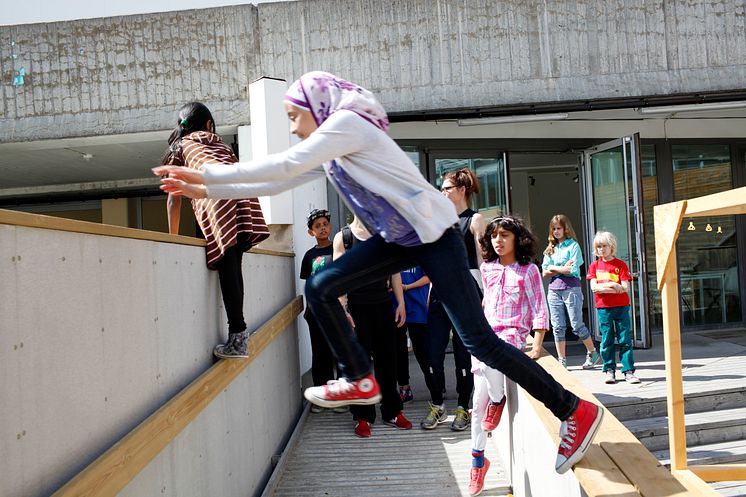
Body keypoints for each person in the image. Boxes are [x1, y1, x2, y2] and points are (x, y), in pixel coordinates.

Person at [153, 71, 603, 474]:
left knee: (478, 341)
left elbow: (283, 168)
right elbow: (278, 180)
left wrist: (205, 180)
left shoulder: (346, 126)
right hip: (403, 239)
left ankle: (574, 412)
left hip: (435, 236)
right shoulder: (334, 148)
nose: (292, 126)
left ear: (318, 107)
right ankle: (361, 378)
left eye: (294, 115)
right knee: (322, 286)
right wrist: (196, 183)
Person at [161, 101, 269, 359]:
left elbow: (174, 197)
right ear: (209, 124)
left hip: (218, 201)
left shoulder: (180, 146)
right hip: (243, 198)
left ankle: (238, 336)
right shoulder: (219, 142)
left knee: (227, 264)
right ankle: (239, 334)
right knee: (234, 265)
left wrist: (173, 238)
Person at [467, 215, 548, 496]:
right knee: (477, 406)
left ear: (517, 239)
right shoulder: (487, 268)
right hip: (487, 338)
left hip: (511, 339)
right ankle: (478, 462)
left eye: (505, 235)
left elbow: (539, 306)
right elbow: (485, 302)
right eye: (494, 236)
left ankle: (498, 399)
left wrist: (537, 344)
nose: (498, 241)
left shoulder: (529, 270)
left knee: (491, 353)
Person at [334, 216, 412, 437]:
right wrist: (344, 310)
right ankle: (362, 416)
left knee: (388, 360)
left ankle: (392, 411)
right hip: (357, 307)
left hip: (384, 304)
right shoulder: (344, 238)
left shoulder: (386, 234)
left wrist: (401, 304)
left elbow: (394, 271)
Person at [421, 168, 485, 432]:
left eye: (446, 188)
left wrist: (486, 295)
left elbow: (483, 260)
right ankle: (437, 404)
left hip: (467, 288)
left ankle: (463, 407)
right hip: (439, 290)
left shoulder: (476, 220)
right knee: (431, 354)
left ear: (461, 190)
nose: (442, 192)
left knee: (463, 356)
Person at [541, 214, 600, 369]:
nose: (556, 231)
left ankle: (592, 352)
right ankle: (562, 360)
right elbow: (545, 272)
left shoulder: (573, 246)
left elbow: (571, 270)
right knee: (558, 326)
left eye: (559, 228)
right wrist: (559, 268)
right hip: (554, 290)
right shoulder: (550, 249)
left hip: (571, 289)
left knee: (576, 325)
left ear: (565, 229)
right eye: (553, 229)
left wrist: (553, 268)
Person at [299, 208, 341, 412]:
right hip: (316, 312)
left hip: (337, 309)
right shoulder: (309, 256)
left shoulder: (339, 249)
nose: (322, 228)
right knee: (320, 353)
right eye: (317, 226)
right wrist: (308, 308)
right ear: (311, 232)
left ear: (330, 227)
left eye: (325, 224)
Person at [587, 231, 641, 385]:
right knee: (607, 339)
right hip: (604, 308)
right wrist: (612, 284)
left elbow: (624, 288)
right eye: (598, 247)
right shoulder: (594, 266)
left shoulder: (620, 265)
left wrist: (604, 287)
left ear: (611, 247)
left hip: (622, 307)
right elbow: (594, 288)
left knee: (624, 339)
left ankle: (628, 371)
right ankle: (609, 370)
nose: (601, 249)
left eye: (604, 246)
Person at [394, 266, 432, 403]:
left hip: (418, 305)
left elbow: (429, 276)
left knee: (422, 349)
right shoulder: (392, 249)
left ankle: (435, 384)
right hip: (397, 305)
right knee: (399, 349)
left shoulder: (420, 247)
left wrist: (406, 287)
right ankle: (404, 388)